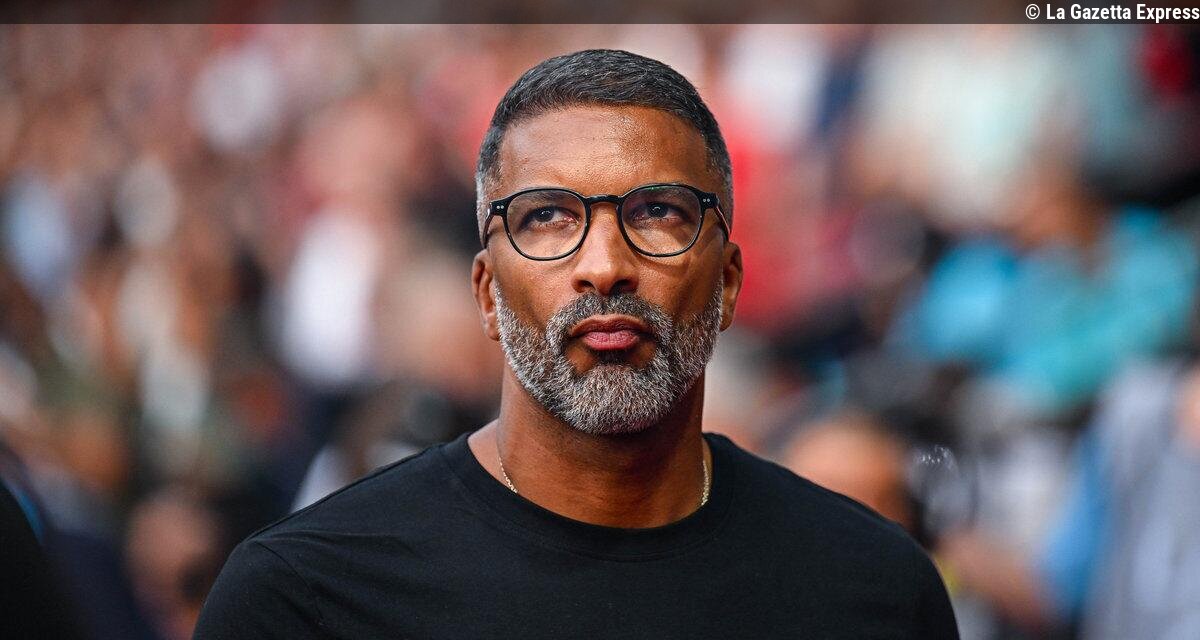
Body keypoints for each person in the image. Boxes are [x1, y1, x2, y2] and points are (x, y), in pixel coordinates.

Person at [194, 49, 958, 639]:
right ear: (487, 294)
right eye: (547, 217)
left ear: (728, 283)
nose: (604, 265)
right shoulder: (305, 598)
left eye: (658, 212)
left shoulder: (873, 590)